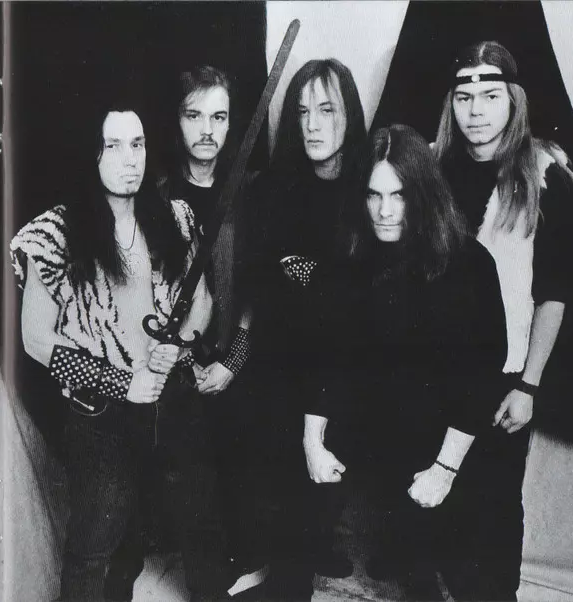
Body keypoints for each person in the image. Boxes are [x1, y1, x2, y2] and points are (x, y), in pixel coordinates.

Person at [9, 97, 232, 602]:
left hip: (172, 397)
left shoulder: (174, 218)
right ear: (92, 153)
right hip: (100, 412)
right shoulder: (54, 235)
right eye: (114, 146)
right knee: (96, 547)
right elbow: (36, 339)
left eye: (138, 144)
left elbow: (201, 301)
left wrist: (180, 345)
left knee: (202, 524)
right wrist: (121, 381)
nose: (130, 159)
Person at [303, 124, 508, 601]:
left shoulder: (470, 264)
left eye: (399, 195)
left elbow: (481, 375)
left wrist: (445, 469)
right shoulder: (351, 255)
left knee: (465, 578)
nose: (385, 211)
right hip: (375, 424)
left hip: (448, 436)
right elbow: (325, 353)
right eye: (373, 195)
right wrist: (313, 442)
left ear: (424, 195)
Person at [434, 40, 573, 600]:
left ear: (513, 100)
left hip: (503, 374)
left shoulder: (543, 175)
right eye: (464, 96)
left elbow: (555, 294)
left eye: (490, 96)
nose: (475, 110)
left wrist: (529, 385)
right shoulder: (430, 169)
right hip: (436, 370)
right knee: (436, 502)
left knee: (492, 505)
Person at [245, 58, 367, 598]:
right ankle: (290, 580)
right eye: (301, 112)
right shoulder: (275, 189)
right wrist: (322, 281)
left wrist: (311, 275)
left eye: (326, 110)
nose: (312, 124)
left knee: (335, 455)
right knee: (288, 457)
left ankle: (314, 547)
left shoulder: (369, 187)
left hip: (351, 360)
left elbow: (367, 287)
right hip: (286, 356)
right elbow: (264, 283)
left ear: (349, 115)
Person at [156, 64, 265, 595]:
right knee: (191, 483)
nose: (207, 130)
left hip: (237, 359)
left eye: (218, 117)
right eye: (194, 115)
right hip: (176, 368)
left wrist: (232, 361)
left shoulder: (250, 192)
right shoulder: (155, 194)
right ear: (176, 120)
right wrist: (183, 362)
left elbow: (258, 287)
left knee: (245, 475)